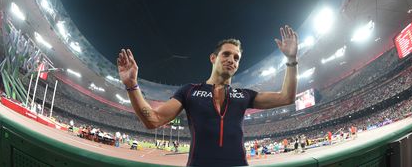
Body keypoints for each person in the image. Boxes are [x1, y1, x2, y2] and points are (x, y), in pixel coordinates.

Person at [117, 25, 298, 166]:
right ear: (213, 58)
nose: (231, 60)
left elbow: (286, 97)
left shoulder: (244, 95)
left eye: (236, 58)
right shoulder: (189, 91)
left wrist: (291, 60)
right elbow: (153, 120)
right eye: (226, 54)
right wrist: (132, 85)